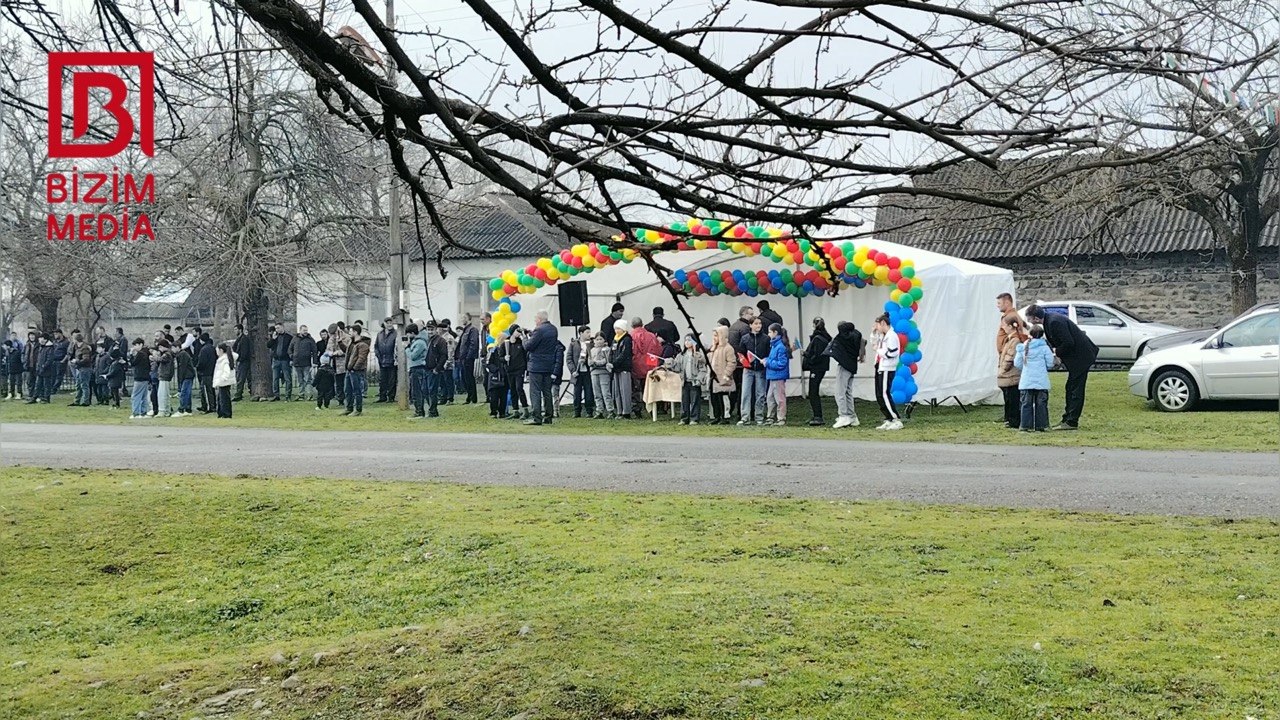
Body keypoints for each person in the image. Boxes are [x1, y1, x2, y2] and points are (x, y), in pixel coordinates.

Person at [1025, 304, 1098, 430]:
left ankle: (1071, 421)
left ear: (1036, 318)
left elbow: (1068, 342)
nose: (1030, 322)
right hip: (1078, 358)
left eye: (1030, 319)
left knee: (1075, 390)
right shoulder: (1050, 320)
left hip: (1081, 358)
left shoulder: (1054, 322)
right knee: (1070, 388)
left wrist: (1056, 352)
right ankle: (1067, 418)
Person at [1014, 325, 1055, 432]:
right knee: (1041, 404)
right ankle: (1042, 425)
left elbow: (1017, 363)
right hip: (1041, 380)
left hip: (1026, 380)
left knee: (1025, 403)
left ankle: (1025, 425)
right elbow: (1050, 363)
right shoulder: (1045, 348)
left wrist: (1026, 368)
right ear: (1042, 335)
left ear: (1030, 334)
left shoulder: (1024, 346)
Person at [522, 310, 559, 426]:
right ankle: (548, 416)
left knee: (535, 392)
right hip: (548, 365)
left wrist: (524, 337)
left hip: (536, 365)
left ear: (539, 319)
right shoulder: (553, 329)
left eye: (536, 319)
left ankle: (536, 417)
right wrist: (531, 334)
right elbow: (542, 341)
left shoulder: (539, 330)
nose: (535, 321)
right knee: (547, 391)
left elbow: (529, 346)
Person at [828, 321, 865, 429]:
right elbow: (863, 342)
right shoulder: (857, 336)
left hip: (844, 366)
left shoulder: (841, 339)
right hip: (852, 366)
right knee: (848, 392)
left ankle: (843, 416)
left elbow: (833, 348)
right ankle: (852, 416)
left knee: (840, 392)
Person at [669, 334, 709, 425]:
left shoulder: (698, 356)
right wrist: (670, 363)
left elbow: (703, 369)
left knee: (695, 401)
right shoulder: (681, 355)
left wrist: (699, 379)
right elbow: (677, 367)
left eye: (689, 340)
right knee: (684, 401)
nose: (687, 342)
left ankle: (694, 418)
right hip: (685, 381)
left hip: (695, 382)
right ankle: (684, 418)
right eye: (685, 340)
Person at [736, 317, 769, 426]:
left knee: (760, 394)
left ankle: (759, 416)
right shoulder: (745, 338)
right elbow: (741, 353)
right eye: (756, 323)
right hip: (748, 369)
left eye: (760, 323)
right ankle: (745, 417)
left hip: (760, 370)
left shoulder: (766, 338)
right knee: (745, 393)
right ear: (750, 325)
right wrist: (744, 361)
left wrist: (766, 359)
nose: (758, 325)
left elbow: (769, 353)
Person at [873, 313, 902, 430]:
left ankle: (895, 418)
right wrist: (874, 332)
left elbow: (892, 353)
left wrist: (879, 351)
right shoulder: (883, 336)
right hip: (880, 366)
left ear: (883, 323)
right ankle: (888, 417)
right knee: (879, 394)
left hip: (887, 368)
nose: (877, 328)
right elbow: (873, 341)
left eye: (877, 325)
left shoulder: (892, 336)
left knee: (885, 394)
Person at [996, 314, 1026, 428]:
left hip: (1012, 375)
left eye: (1004, 325)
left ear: (1010, 326)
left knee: (1014, 399)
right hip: (1008, 375)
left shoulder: (1015, 340)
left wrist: (1002, 369)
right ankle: (1010, 419)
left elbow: (1010, 356)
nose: (1002, 327)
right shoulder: (1011, 339)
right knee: (1009, 398)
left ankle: (1014, 421)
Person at [801, 317, 832, 426]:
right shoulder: (824, 337)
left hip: (817, 367)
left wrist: (807, 356)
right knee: (813, 391)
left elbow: (817, 355)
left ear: (814, 325)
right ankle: (816, 415)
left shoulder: (817, 339)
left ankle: (818, 416)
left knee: (813, 392)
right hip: (821, 367)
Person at [629, 317, 661, 418]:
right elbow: (658, 351)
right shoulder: (651, 336)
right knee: (650, 388)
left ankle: (637, 410)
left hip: (635, 366)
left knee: (636, 390)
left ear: (632, 325)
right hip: (650, 366)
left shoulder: (630, 336)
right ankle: (652, 409)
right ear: (642, 324)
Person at [726, 306, 754, 420]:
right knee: (745, 389)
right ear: (744, 314)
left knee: (734, 389)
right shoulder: (745, 328)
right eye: (750, 314)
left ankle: (731, 409)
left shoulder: (733, 326)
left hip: (734, 361)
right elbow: (747, 345)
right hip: (743, 362)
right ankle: (743, 412)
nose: (752, 316)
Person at [707, 326, 736, 425]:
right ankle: (717, 416)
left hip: (723, 378)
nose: (714, 338)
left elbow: (732, 363)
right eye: (714, 336)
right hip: (714, 378)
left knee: (723, 398)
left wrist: (726, 375)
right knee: (714, 398)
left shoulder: (728, 348)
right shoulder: (714, 348)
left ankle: (725, 417)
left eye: (716, 336)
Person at [764, 323, 790, 426]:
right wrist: (767, 360)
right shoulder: (774, 345)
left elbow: (781, 364)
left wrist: (768, 362)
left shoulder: (780, 347)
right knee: (770, 398)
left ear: (775, 333)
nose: (768, 334)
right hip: (772, 376)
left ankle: (781, 418)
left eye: (770, 332)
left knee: (779, 398)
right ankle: (770, 417)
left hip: (778, 376)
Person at [342, 325, 371, 416]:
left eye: (350, 331)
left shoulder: (363, 344)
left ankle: (358, 409)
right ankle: (349, 408)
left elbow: (361, 358)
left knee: (357, 390)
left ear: (355, 332)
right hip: (349, 369)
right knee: (348, 390)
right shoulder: (353, 342)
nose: (349, 333)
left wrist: (354, 368)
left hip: (356, 370)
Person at [423, 321, 450, 418]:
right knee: (424, 390)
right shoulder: (426, 340)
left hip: (434, 369)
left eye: (432, 329)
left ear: (436, 329)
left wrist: (437, 368)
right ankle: (431, 408)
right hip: (425, 368)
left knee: (432, 390)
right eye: (428, 329)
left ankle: (433, 411)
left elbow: (444, 356)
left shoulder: (440, 341)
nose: (430, 331)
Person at [568, 327, 595, 418]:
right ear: (581, 333)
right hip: (577, 372)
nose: (589, 334)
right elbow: (569, 358)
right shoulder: (573, 344)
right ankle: (577, 411)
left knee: (589, 391)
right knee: (577, 392)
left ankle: (589, 411)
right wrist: (572, 370)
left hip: (588, 371)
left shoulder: (592, 344)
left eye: (589, 332)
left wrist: (587, 361)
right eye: (587, 332)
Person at [609, 319, 633, 419]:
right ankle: (619, 410)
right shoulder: (615, 339)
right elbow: (611, 352)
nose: (616, 330)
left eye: (618, 328)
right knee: (617, 391)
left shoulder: (627, 339)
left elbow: (624, 354)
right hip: (615, 369)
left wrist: (614, 363)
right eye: (615, 328)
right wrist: (610, 362)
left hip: (624, 368)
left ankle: (626, 411)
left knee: (625, 390)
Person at [504, 326, 529, 419]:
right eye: (516, 331)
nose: (518, 332)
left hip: (520, 369)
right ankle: (515, 410)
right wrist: (504, 359)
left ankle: (525, 409)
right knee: (513, 389)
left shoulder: (521, 343)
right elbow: (501, 356)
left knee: (519, 388)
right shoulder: (506, 342)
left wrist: (527, 370)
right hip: (510, 369)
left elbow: (526, 355)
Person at [404, 323, 428, 418]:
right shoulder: (415, 342)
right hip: (414, 368)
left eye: (408, 334)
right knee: (414, 391)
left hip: (418, 368)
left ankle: (419, 411)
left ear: (412, 333)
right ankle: (418, 410)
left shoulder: (420, 343)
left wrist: (407, 348)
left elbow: (413, 356)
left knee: (417, 391)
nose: (407, 336)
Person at [457, 314, 481, 404]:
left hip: (468, 358)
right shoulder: (465, 330)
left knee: (469, 377)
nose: (462, 320)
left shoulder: (472, 330)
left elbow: (473, 344)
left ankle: (472, 397)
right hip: (463, 357)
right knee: (465, 378)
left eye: (464, 318)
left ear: (469, 319)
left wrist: (468, 356)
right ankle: (470, 396)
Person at [588, 333, 613, 419]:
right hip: (594, 373)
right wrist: (591, 363)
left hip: (603, 372)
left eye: (600, 339)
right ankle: (599, 410)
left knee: (606, 392)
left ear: (604, 340)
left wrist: (595, 363)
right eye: (597, 339)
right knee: (597, 393)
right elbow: (589, 361)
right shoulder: (592, 350)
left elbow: (606, 360)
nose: (598, 341)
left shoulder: (606, 349)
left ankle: (610, 410)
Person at [290, 324, 318, 402]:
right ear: (300, 330)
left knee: (307, 379)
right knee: (300, 380)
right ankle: (301, 395)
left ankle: (309, 395)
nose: (305, 332)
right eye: (304, 330)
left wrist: (315, 362)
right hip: (297, 363)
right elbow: (290, 349)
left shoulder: (310, 339)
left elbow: (315, 351)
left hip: (306, 363)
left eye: (306, 330)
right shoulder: (295, 339)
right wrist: (292, 357)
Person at [374, 318, 398, 403]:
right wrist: (378, 356)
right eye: (387, 323)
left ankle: (391, 397)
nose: (389, 324)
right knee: (382, 380)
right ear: (384, 324)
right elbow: (376, 346)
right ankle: (382, 396)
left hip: (391, 360)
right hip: (382, 360)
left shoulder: (396, 334)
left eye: (391, 322)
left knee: (392, 380)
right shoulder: (379, 334)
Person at [268, 323, 293, 401]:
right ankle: (276, 395)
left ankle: (288, 395)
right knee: (275, 378)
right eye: (276, 328)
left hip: (285, 360)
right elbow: (268, 345)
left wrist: (291, 359)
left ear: (282, 327)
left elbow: (291, 348)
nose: (277, 330)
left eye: (278, 328)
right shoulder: (275, 337)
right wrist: (273, 339)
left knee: (287, 378)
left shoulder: (289, 337)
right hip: (276, 360)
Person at [69, 331, 94, 407]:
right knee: (78, 385)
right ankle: (77, 401)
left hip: (85, 368)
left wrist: (77, 361)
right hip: (79, 368)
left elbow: (86, 359)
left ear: (76, 340)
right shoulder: (77, 347)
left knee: (84, 385)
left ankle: (86, 401)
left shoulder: (84, 348)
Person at [128, 338, 151, 419]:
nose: (134, 347)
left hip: (139, 377)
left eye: (136, 345)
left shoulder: (140, 354)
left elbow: (133, 363)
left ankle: (136, 413)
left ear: (141, 344)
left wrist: (131, 355)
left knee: (136, 395)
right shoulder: (146, 352)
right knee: (143, 396)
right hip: (145, 377)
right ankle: (143, 412)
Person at [213, 342, 237, 418]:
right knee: (221, 398)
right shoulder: (223, 359)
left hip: (224, 382)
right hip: (223, 382)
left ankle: (226, 413)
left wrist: (223, 378)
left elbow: (226, 371)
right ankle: (221, 412)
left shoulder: (225, 359)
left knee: (224, 399)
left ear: (221, 350)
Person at [438, 318, 457, 405]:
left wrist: (447, 362)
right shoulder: (440, 337)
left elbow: (450, 351)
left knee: (448, 381)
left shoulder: (449, 338)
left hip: (447, 363)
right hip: (441, 362)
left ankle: (450, 398)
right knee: (442, 381)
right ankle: (443, 397)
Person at [196, 333, 217, 414]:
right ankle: (210, 405)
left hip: (205, 372)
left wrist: (198, 368)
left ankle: (209, 407)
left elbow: (202, 362)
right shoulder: (212, 348)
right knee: (211, 390)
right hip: (211, 372)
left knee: (206, 390)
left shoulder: (204, 349)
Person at [174, 339, 195, 417]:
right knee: (187, 393)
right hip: (188, 375)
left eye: (173, 348)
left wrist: (180, 378)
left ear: (177, 347)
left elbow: (182, 367)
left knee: (184, 393)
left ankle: (182, 409)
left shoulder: (182, 354)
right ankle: (188, 409)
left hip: (187, 376)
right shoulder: (182, 354)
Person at [154, 338, 174, 417]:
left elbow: (161, 360)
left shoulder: (167, 354)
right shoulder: (170, 353)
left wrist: (154, 357)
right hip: (166, 376)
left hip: (164, 376)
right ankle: (167, 410)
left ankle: (162, 410)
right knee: (166, 394)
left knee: (162, 394)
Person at [232, 325, 251, 401]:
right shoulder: (240, 339)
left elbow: (244, 352)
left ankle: (238, 394)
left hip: (244, 361)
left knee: (241, 378)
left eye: (236, 329)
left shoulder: (244, 339)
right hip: (241, 361)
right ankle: (239, 393)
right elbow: (234, 347)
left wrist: (239, 358)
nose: (235, 331)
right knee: (240, 378)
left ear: (240, 330)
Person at [104, 343, 126, 409]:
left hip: (114, 380)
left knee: (115, 393)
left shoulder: (115, 364)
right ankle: (115, 403)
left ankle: (116, 404)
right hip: (115, 380)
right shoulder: (117, 363)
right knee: (114, 392)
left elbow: (113, 372)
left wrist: (107, 376)